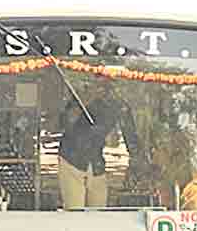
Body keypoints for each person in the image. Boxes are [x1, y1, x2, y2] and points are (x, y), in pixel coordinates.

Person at [57, 80, 143, 210]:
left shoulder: (119, 106)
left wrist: (136, 160)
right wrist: (83, 101)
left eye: (106, 87)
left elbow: (130, 135)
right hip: (72, 160)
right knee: (74, 210)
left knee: (99, 210)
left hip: (96, 162)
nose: (103, 90)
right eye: (99, 85)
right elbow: (64, 124)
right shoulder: (81, 98)